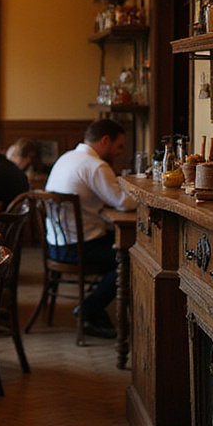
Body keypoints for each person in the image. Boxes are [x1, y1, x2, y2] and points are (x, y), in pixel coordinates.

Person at [44, 118, 135, 339]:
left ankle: (96, 309)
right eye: (119, 145)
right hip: (78, 248)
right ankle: (90, 309)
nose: (120, 152)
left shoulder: (68, 157)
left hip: (56, 245)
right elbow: (123, 202)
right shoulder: (95, 165)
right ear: (105, 140)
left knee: (119, 246)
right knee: (132, 259)